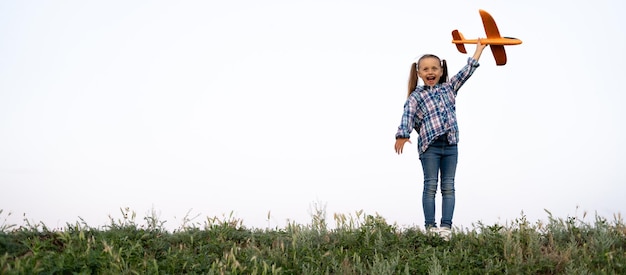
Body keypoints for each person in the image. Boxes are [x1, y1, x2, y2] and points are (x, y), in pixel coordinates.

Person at [394, 39, 487, 239]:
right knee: (430, 186)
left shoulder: (449, 88)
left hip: (451, 145)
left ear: (441, 70)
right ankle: (430, 227)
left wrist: (479, 49)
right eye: (426, 69)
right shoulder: (416, 96)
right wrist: (403, 135)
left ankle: (446, 228)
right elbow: (408, 115)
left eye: (434, 68)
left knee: (448, 186)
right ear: (419, 72)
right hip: (430, 147)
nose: (430, 72)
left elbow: (467, 72)